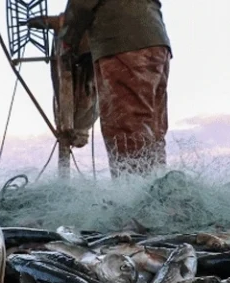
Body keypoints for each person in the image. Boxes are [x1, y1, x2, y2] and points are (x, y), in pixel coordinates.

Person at [59, 0, 171, 178]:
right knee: (152, 129)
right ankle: (157, 192)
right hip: (156, 43)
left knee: (125, 127)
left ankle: (133, 197)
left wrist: (67, 40)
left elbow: (80, 4)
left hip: (123, 46)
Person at [26, 14, 99, 149]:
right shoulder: (86, 117)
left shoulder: (85, 117)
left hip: (82, 60)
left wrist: (48, 22)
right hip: (82, 60)